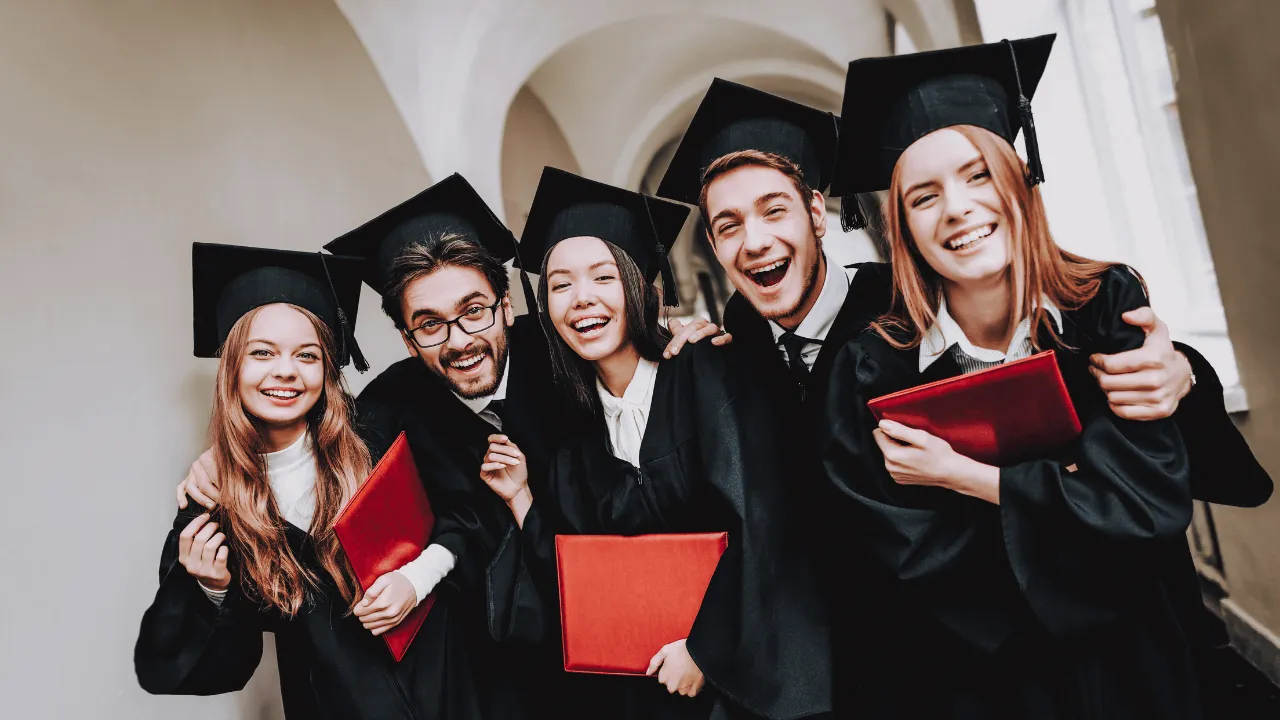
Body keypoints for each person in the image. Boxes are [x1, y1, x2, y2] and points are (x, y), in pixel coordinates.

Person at [176, 174, 726, 717]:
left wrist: (688, 332)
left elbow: (631, 346)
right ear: (407, 340)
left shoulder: (566, 353)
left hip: (627, 657)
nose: (460, 339)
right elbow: (312, 445)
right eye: (430, 325)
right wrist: (229, 456)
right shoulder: (391, 404)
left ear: (506, 305)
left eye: (473, 311)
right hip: (489, 680)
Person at [819, 35, 1202, 717]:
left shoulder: (1107, 309)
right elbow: (906, 556)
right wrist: (1076, 512)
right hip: (984, 684)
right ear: (901, 227)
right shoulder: (873, 367)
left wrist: (969, 480)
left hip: (1133, 666)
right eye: (924, 196)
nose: (958, 209)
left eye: (977, 176)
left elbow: (1145, 507)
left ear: (1020, 180)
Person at [481, 167, 831, 720]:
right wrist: (521, 498)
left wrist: (705, 649)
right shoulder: (577, 427)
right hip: (652, 695)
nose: (581, 300)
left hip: (748, 686)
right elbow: (585, 570)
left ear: (640, 282)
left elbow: (764, 522)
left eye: (602, 277)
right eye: (560, 284)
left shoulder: (707, 371)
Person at [136, 243, 482, 718]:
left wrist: (417, 578)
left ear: (327, 370)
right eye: (262, 353)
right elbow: (187, 668)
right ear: (232, 369)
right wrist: (212, 588)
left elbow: (469, 516)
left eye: (307, 355)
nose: (286, 371)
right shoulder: (212, 505)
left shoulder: (381, 434)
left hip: (450, 691)